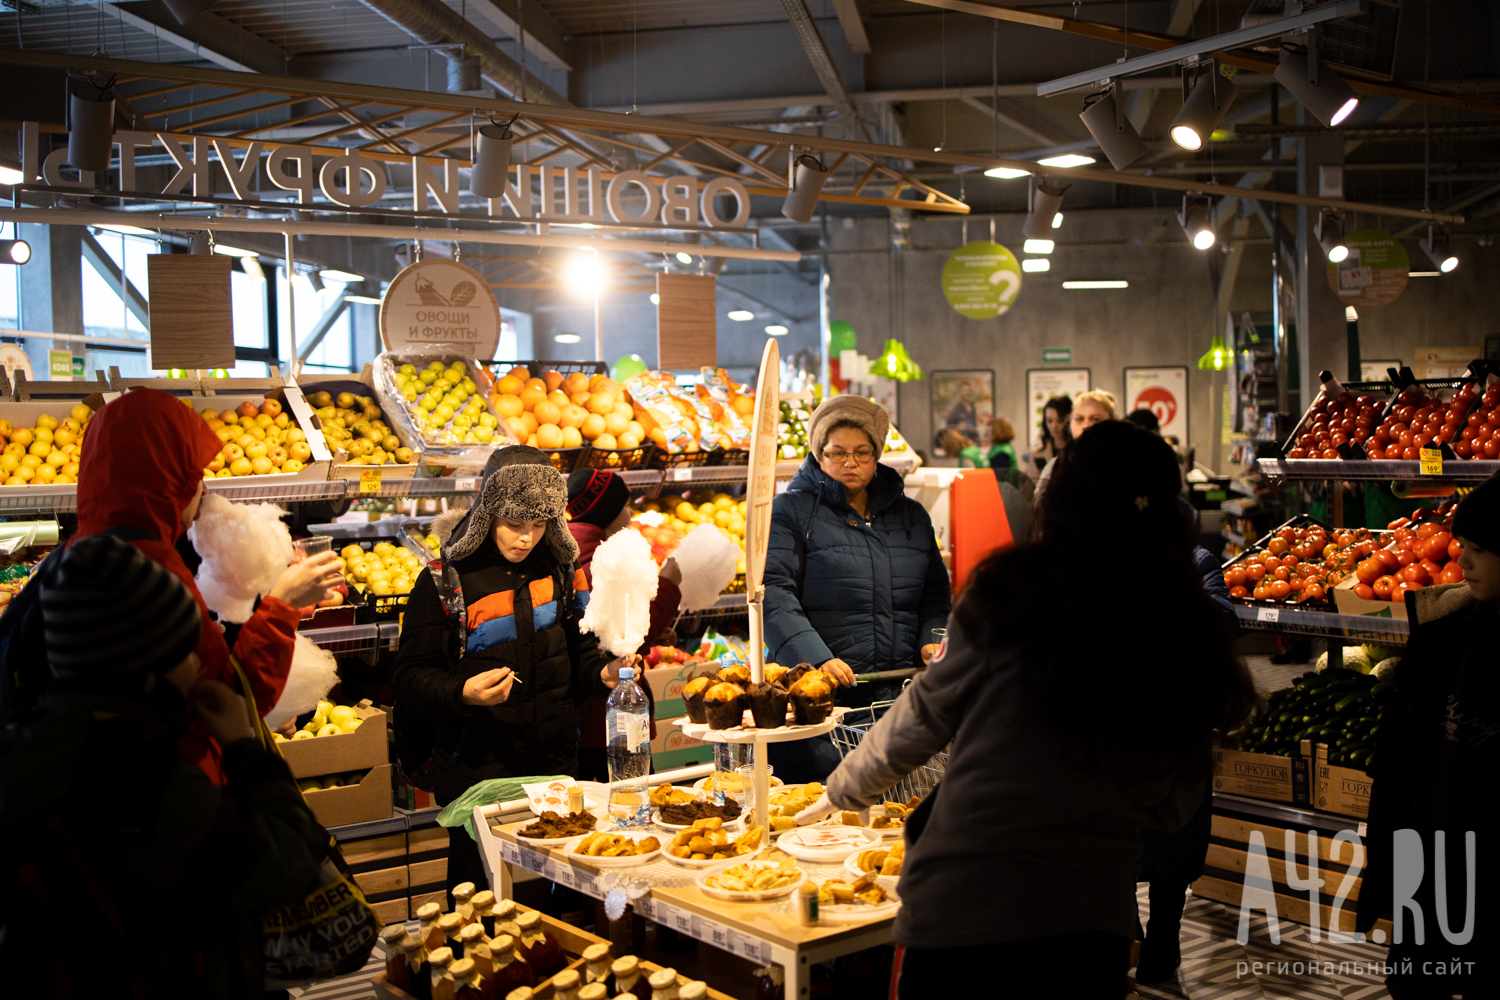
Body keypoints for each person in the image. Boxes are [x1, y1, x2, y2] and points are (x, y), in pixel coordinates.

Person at [799, 422, 1256, 997]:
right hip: (1088, 920)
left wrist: (841, 791)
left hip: (963, 899)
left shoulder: (1009, 592)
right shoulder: (1185, 627)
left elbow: (923, 715)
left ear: (1057, 503)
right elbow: (1172, 808)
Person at [0, 535, 325, 998]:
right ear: (144, 663)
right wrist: (242, 745)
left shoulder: (23, 753)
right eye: (182, 649)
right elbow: (287, 867)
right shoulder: (143, 779)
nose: (196, 662)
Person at [0, 389, 343, 783]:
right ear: (169, 476)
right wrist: (283, 604)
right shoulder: (149, 568)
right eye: (192, 471)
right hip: (162, 795)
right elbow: (223, 700)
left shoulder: (75, 555)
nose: (202, 487)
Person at [392, 446, 636, 892]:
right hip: (477, 772)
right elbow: (409, 677)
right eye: (513, 524)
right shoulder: (443, 580)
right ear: (489, 514)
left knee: (549, 898)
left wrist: (601, 672)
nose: (526, 538)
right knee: (481, 902)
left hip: (552, 769)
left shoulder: (562, 571)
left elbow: (577, 650)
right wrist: (462, 692)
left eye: (538, 525)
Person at [1357, 474, 1500, 998]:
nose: (1463, 563)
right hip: (1435, 851)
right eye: (1462, 547)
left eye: (1479, 551)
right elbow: (1403, 757)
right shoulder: (1443, 634)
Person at [763, 395, 951, 783]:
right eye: (837, 452)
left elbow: (934, 594)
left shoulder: (911, 516)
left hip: (899, 696)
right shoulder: (790, 512)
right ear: (818, 453)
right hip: (824, 706)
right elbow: (775, 596)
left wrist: (932, 639)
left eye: (863, 453)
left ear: (878, 454)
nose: (850, 462)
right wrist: (817, 661)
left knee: (899, 815)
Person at [565, 467, 682, 782]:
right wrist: (668, 587)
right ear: (605, 512)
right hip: (605, 722)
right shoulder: (597, 566)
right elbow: (623, 643)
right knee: (626, 799)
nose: (631, 514)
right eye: (624, 505)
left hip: (590, 721)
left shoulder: (577, 554)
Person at [1023, 395, 1072, 473]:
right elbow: (1027, 482)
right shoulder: (1037, 453)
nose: (1054, 426)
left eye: (1059, 421)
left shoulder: (1078, 451)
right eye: (1049, 421)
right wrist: (1036, 481)